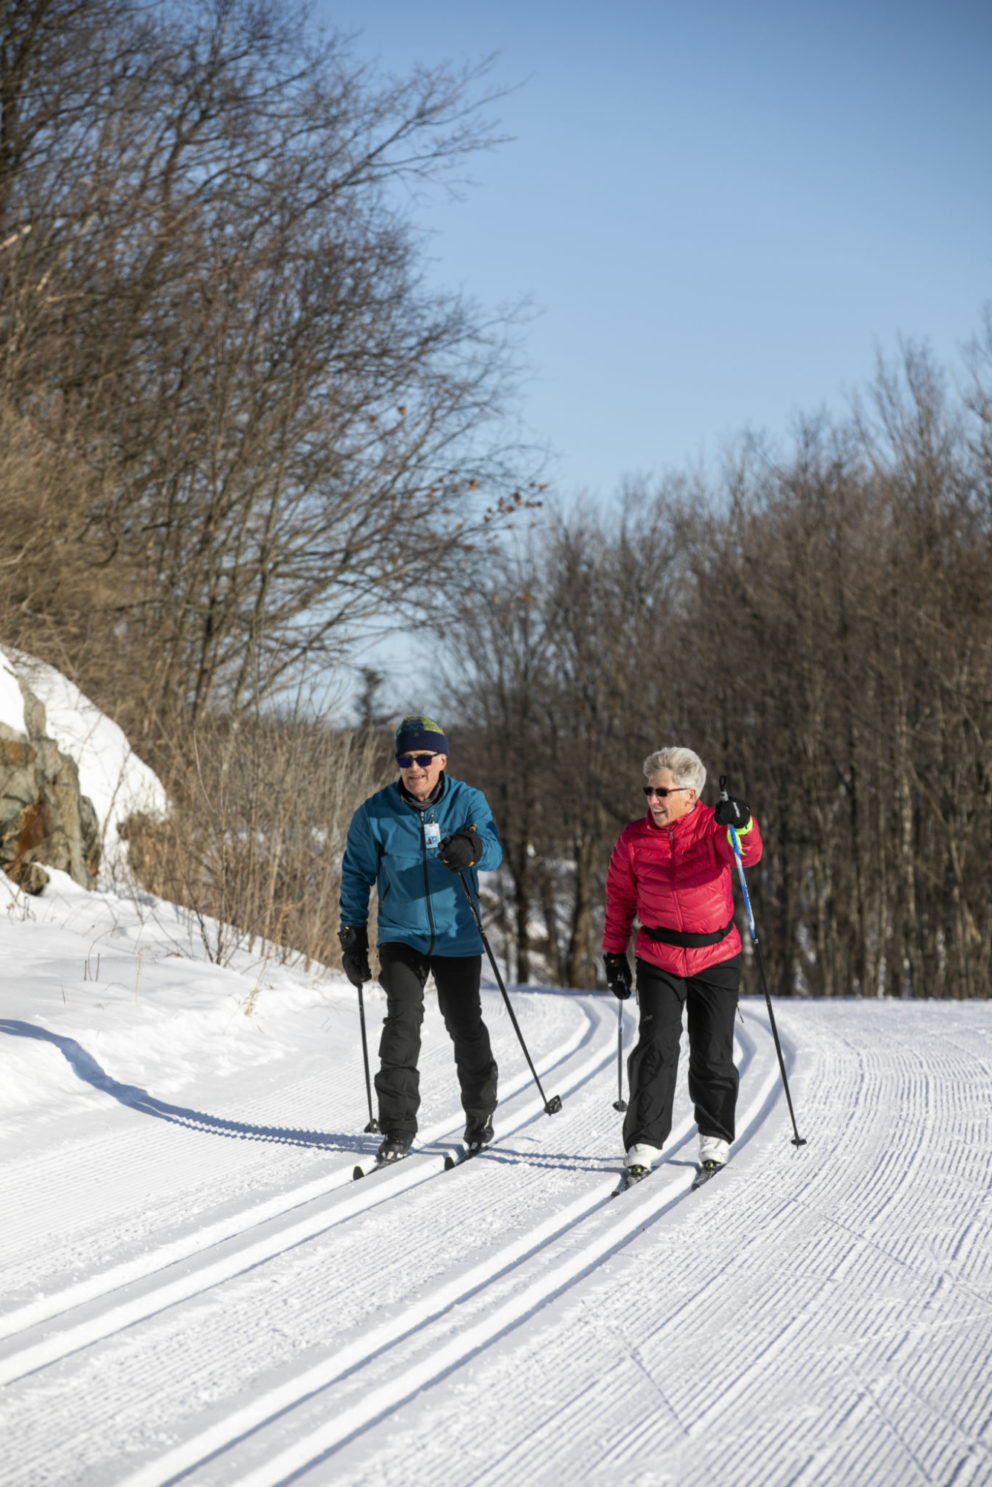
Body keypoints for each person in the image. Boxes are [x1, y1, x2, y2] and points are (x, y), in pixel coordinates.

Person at [338, 715, 503, 1163]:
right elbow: (356, 875)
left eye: (424, 758)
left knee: (464, 1024)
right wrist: (352, 936)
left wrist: (472, 847)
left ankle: (480, 1114)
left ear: (441, 760)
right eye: (406, 759)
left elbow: (493, 846)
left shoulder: (468, 801)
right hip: (400, 934)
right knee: (402, 1022)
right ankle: (396, 1128)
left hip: (457, 932)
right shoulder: (375, 813)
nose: (414, 768)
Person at [602, 745, 762, 1184]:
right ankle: (644, 1140)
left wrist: (743, 821)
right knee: (656, 1046)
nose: (652, 800)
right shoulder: (633, 840)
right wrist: (614, 953)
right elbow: (619, 899)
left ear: (690, 794)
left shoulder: (715, 826)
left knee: (712, 1051)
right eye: (648, 791)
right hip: (659, 956)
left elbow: (747, 856)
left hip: (716, 954)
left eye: (662, 792)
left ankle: (714, 1135)